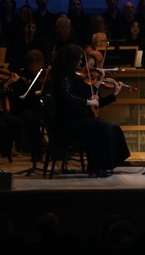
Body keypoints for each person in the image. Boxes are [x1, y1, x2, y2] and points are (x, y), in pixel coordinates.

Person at [50, 44, 130, 177]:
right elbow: (68, 98)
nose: (82, 62)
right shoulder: (63, 75)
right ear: (72, 59)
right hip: (67, 122)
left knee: (113, 128)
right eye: (80, 59)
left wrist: (107, 91)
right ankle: (97, 167)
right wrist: (88, 101)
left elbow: (88, 94)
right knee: (102, 127)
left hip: (77, 118)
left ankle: (109, 164)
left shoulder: (71, 75)